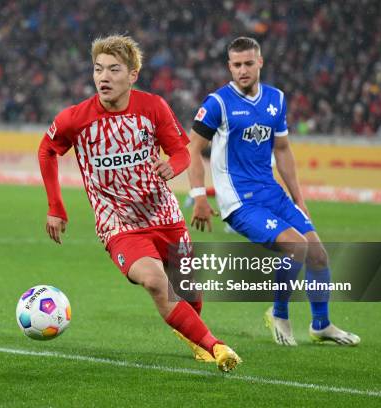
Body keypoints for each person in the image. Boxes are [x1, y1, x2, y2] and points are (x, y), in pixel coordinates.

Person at [38, 35, 241, 372]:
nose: (104, 77)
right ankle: (216, 346)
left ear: (132, 75)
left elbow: (181, 151)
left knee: (189, 292)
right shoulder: (76, 118)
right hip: (117, 222)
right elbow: (47, 150)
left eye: (114, 69)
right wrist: (56, 207)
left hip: (163, 213)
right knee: (154, 280)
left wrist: (172, 167)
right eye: (98, 69)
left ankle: (193, 334)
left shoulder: (153, 107)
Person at [187, 37, 360, 346]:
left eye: (248, 63)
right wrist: (199, 195)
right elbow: (194, 148)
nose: (242, 70)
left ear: (260, 63)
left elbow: (282, 150)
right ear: (229, 66)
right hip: (239, 202)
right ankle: (279, 314)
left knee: (318, 254)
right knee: (296, 247)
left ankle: (321, 325)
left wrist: (299, 198)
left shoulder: (276, 99)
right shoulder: (218, 103)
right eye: (236, 65)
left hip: (272, 194)